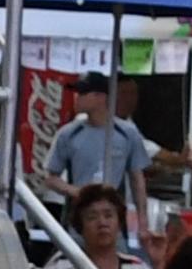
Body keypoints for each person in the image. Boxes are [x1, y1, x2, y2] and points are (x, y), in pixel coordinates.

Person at [40, 72, 160, 206]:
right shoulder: (68, 133)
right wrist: (75, 191)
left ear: (100, 97)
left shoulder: (127, 133)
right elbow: (50, 178)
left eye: (82, 94)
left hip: (114, 217)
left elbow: (137, 179)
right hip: (78, 216)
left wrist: (143, 222)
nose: (76, 98)